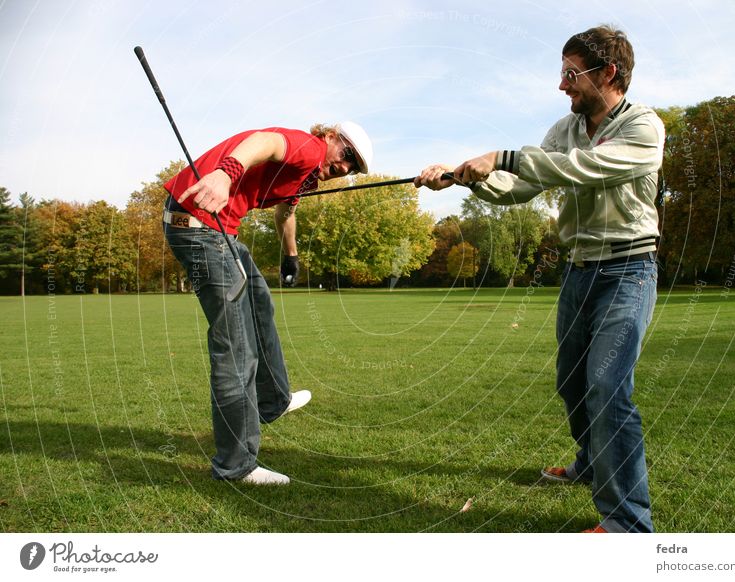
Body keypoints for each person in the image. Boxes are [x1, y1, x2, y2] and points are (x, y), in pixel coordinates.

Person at [416, 26, 664, 532]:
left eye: (571, 74)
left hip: (628, 269)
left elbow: (580, 169)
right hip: (578, 271)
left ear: (608, 73)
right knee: (573, 383)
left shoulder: (643, 127)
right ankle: (591, 463)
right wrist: (472, 177)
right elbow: (521, 185)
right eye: (563, 74)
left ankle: (627, 523)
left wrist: (501, 156)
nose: (562, 86)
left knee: (607, 387)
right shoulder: (564, 127)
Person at [163, 121, 373, 485]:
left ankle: (274, 400)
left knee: (260, 302)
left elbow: (286, 213)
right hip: (198, 229)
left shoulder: (305, 176)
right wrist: (225, 174)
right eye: (346, 155)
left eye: (352, 167)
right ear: (330, 137)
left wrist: (290, 256)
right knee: (236, 345)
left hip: (216, 231)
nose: (343, 168)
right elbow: (263, 142)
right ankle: (236, 466)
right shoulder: (308, 147)